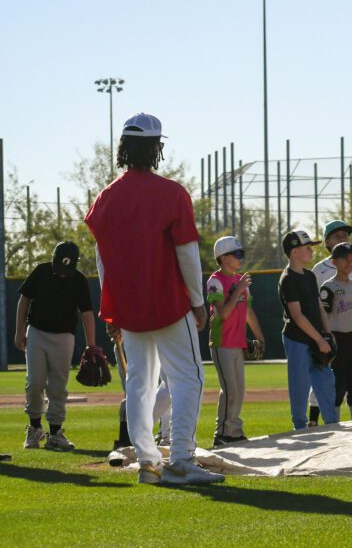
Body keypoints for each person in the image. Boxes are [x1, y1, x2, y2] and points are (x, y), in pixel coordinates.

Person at [85, 112, 223, 484]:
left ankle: (148, 462)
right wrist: (197, 300)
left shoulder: (106, 198)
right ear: (155, 148)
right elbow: (187, 253)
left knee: (140, 384)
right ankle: (180, 458)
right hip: (168, 304)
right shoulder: (171, 193)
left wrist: (111, 309)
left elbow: (102, 260)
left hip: (128, 309)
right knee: (188, 378)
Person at [15, 241, 96, 451]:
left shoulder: (79, 280)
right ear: (54, 259)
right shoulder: (42, 271)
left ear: (75, 264)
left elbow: (87, 313)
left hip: (64, 336)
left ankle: (55, 434)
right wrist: (19, 330)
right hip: (37, 333)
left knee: (58, 386)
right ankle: (34, 429)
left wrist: (91, 346)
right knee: (35, 382)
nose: (62, 273)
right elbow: (24, 299)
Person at [308, 220, 352, 425]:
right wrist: (323, 337)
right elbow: (319, 308)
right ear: (327, 243)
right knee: (330, 379)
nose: (343, 237)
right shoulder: (320, 272)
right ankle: (320, 420)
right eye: (337, 235)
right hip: (332, 334)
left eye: (346, 234)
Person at [207, 235, 265, 447]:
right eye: (237, 254)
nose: (241, 258)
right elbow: (222, 314)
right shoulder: (215, 280)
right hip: (222, 342)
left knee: (239, 390)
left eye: (242, 254)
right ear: (223, 258)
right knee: (230, 389)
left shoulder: (240, 280)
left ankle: (234, 431)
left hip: (238, 343)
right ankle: (221, 432)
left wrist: (260, 337)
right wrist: (239, 289)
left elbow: (248, 311)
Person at [278, 230, 339, 430]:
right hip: (297, 339)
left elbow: (319, 307)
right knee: (300, 385)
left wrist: (328, 334)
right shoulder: (288, 279)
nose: (311, 250)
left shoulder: (310, 276)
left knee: (326, 380)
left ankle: (332, 424)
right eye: (307, 247)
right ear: (294, 252)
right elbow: (297, 316)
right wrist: (320, 340)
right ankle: (300, 428)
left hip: (316, 337)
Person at [319, 242, 352, 421]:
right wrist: (327, 342)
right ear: (334, 262)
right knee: (338, 384)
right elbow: (324, 317)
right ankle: (334, 422)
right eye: (344, 259)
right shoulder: (328, 287)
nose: (349, 263)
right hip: (337, 337)